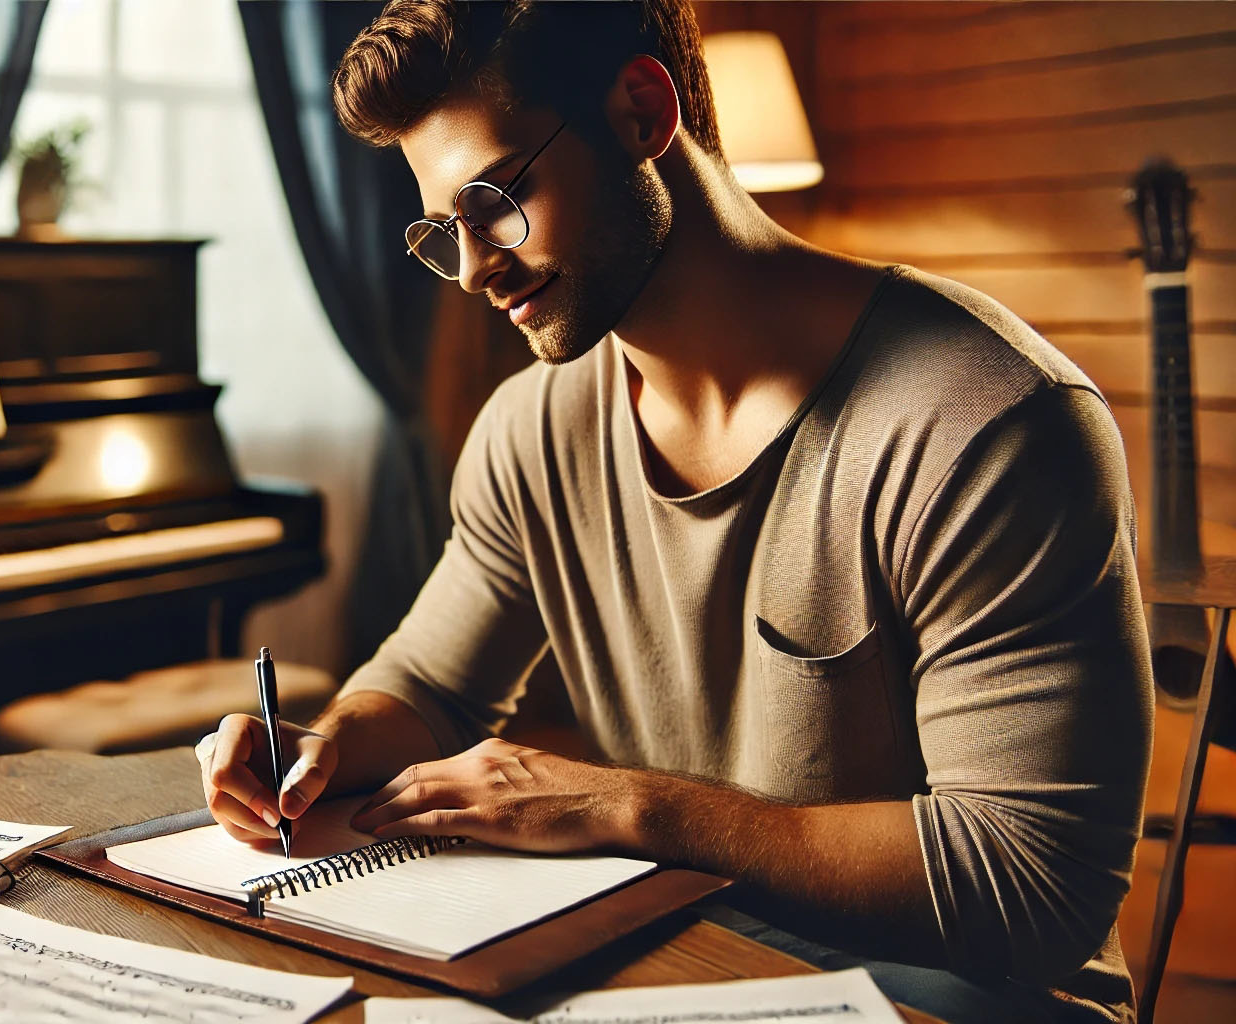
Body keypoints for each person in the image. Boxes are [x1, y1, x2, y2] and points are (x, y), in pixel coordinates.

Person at [196, 2, 1152, 1020]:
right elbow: (430, 684)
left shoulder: (986, 420)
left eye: (495, 199)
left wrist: (625, 805)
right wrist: (323, 745)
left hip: (962, 996)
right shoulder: (530, 428)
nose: (474, 269)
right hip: (686, 951)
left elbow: (1032, 888)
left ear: (641, 112)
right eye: (443, 232)